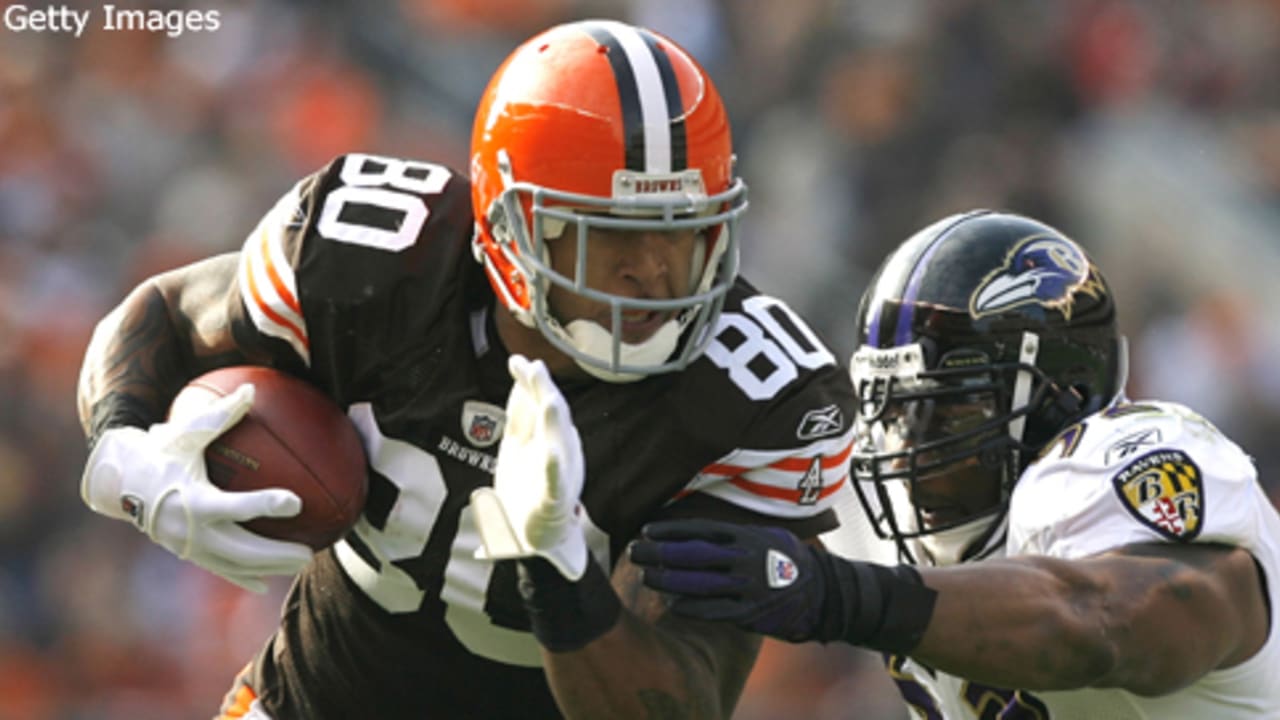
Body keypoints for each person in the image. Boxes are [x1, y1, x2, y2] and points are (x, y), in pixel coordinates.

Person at [74, 19, 858, 719]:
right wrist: (124, 450)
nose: (656, 272)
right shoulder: (380, 266)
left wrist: (558, 572)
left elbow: (679, 701)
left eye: (683, 231)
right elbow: (168, 314)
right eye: (613, 235)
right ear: (514, 226)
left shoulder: (754, 400)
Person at [632, 210, 1280, 718]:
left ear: (1064, 395)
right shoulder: (892, 532)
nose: (905, 445)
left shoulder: (1124, 459)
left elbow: (1104, 621)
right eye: (890, 410)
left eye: (942, 409)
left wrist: (838, 595)